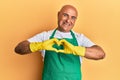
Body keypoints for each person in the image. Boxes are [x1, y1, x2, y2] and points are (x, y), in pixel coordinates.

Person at [14, 5, 105, 80]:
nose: (68, 20)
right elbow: (19, 49)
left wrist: (76, 49)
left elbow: (100, 54)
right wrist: (39, 45)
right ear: (58, 15)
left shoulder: (79, 38)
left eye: (73, 18)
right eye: (65, 15)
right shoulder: (45, 36)